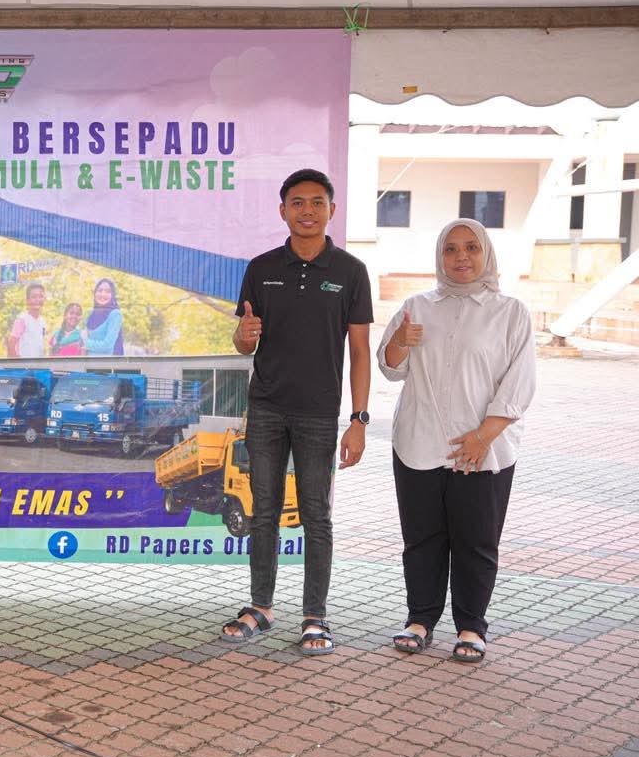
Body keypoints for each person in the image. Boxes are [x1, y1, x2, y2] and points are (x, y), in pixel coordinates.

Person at [221, 168, 372, 655]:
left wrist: (359, 419)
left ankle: (315, 617)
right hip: (266, 408)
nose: (307, 211)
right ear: (283, 210)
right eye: (298, 203)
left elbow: (360, 350)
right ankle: (260, 607)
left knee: (315, 516)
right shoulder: (261, 268)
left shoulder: (350, 272)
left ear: (332, 210)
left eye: (317, 203)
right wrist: (242, 336)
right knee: (263, 511)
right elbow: (244, 343)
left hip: (319, 413)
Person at [377, 219, 535, 664]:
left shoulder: (510, 312)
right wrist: (400, 342)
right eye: (450, 249)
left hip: (482, 449)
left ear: (486, 253)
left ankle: (471, 627)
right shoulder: (417, 306)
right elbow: (390, 367)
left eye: (471, 247)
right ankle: (419, 620)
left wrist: (484, 436)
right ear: (439, 256)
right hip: (419, 442)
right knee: (421, 539)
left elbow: (520, 381)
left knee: (476, 541)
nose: (461, 257)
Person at [83, 278, 125, 355]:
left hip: (107, 361)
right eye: (100, 290)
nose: (103, 294)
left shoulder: (115, 314)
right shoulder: (90, 314)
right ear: (95, 293)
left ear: (112, 295)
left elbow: (107, 346)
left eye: (108, 291)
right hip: (88, 361)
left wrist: (85, 343)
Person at [7, 282, 48, 357]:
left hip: (38, 362)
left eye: (41, 296)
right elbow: (11, 345)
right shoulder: (22, 319)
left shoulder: (43, 322)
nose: (38, 299)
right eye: (34, 297)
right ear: (27, 300)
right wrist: (17, 362)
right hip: (24, 362)